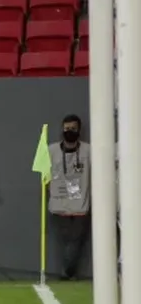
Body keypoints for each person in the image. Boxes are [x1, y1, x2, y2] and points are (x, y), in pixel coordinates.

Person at [47, 114, 91, 280]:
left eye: (73, 129)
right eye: (66, 129)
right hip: (59, 205)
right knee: (67, 242)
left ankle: (67, 273)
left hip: (81, 205)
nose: (69, 131)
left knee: (76, 242)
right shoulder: (52, 150)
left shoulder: (88, 150)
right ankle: (68, 273)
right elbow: (44, 173)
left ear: (79, 130)